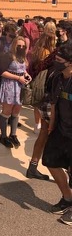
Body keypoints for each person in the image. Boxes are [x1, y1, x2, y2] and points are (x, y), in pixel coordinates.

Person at [41, 41, 72, 224]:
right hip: (60, 129)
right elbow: (53, 103)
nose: (56, 62)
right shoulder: (57, 78)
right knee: (50, 161)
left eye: (60, 60)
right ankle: (67, 197)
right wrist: (51, 126)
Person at [0, 36, 31, 148]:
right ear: (14, 45)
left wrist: (26, 74)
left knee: (17, 110)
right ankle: (3, 136)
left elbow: (22, 69)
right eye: (19, 46)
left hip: (20, 87)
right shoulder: (7, 56)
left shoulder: (22, 57)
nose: (21, 48)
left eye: (23, 46)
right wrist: (18, 78)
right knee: (7, 110)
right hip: (10, 86)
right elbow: (1, 72)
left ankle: (13, 134)